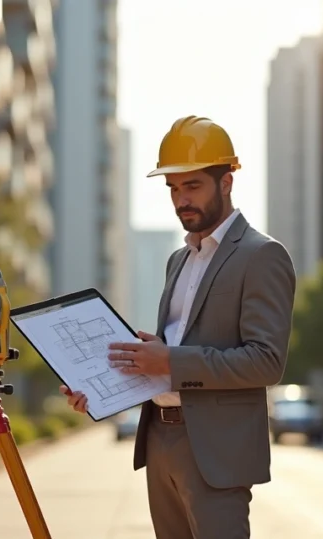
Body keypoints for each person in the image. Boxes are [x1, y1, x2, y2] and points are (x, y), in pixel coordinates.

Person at [59, 115, 297, 538]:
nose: (180, 199)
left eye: (192, 186)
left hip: (216, 451)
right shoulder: (179, 260)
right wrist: (97, 385)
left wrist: (168, 357)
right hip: (160, 441)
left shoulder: (262, 255)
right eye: (172, 188)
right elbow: (167, 360)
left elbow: (266, 362)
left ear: (226, 182)